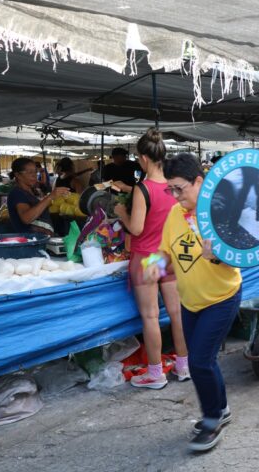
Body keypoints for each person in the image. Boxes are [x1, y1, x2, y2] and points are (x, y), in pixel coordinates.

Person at [142, 153, 241, 453]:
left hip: (221, 298)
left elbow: (241, 257)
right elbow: (165, 251)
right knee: (204, 360)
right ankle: (221, 409)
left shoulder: (221, 211)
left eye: (179, 188)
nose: (174, 196)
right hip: (190, 301)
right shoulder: (175, 214)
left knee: (198, 361)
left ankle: (211, 420)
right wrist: (154, 265)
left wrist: (219, 256)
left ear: (199, 181)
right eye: (170, 189)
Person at [114, 129, 188, 390]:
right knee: (177, 313)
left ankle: (156, 373)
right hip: (169, 256)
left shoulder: (143, 188)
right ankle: (183, 366)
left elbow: (136, 228)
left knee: (150, 316)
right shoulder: (174, 186)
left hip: (147, 258)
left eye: (138, 157)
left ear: (144, 158)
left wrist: (121, 212)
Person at [7, 157, 70, 235]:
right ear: (18, 175)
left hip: (42, 238)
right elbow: (26, 218)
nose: (34, 175)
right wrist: (50, 197)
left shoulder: (31, 191)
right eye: (30, 172)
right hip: (30, 240)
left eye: (35, 172)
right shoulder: (17, 194)